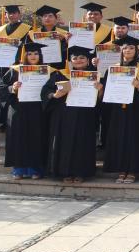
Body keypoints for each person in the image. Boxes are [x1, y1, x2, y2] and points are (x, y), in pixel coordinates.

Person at [43, 46, 102, 183]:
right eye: (75, 58)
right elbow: (46, 91)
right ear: (70, 61)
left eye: (82, 58)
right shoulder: (60, 74)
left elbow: (100, 100)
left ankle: (81, 173)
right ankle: (64, 172)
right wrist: (54, 95)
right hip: (63, 117)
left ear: (88, 60)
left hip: (85, 116)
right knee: (64, 143)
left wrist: (100, 90)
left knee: (83, 143)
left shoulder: (94, 76)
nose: (78, 60)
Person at [101, 36, 139, 184]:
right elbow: (106, 90)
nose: (128, 50)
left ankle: (132, 170)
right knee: (119, 139)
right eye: (125, 48)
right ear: (121, 50)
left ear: (136, 50)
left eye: (131, 48)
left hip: (136, 111)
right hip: (118, 110)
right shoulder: (113, 68)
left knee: (134, 139)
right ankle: (121, 170)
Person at [0, 42, 48, 180]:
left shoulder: (46, 71)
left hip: (37, 110)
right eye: (30, 53)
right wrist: (12, 88)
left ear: (40, 55)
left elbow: (50, 91)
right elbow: (1, 88)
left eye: (36, 53)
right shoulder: (15, 70)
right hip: (18, 109)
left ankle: (35, 169)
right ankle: (18, 169)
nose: (33, 56)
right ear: (24, 55)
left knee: (36, 138)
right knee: (18, 138)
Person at [0, 4, 31, 127]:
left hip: (15, 66)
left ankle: (11, 120)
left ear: (19, 14)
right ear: (5, 15)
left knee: (13, 91)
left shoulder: (27, 29)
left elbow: (28, 48)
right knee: (1, 89)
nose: (11, 15)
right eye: (8, 13)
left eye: (14, 13)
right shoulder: (0, 29)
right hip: (1, 65)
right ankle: (0, 119)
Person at [29, 5, 68, 70]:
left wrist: (63, 40)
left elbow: (67, 53)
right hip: (39, 66)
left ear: (56, 19)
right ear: (42, 19)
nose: (47, 18)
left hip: (58, 66)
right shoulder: (33, 33)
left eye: (50, 16)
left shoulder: (63, 33)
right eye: (45, 16)